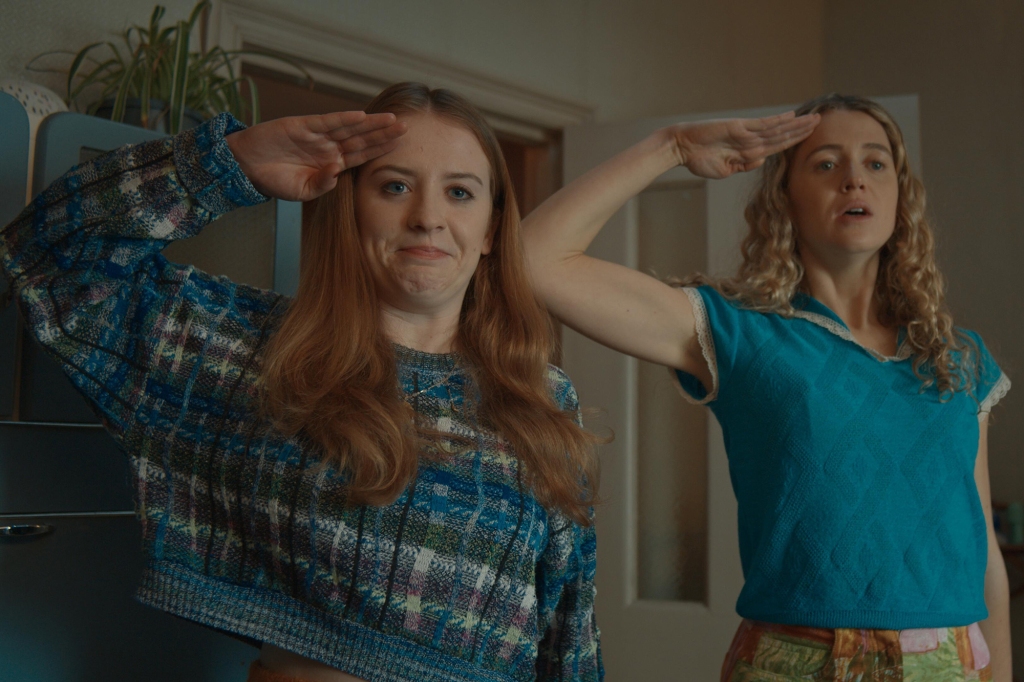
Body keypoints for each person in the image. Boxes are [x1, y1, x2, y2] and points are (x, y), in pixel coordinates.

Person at [0, 82, 603, 682]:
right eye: (395, 186)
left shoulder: (542, 397)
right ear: (349, 206)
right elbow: (48, 259)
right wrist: (226, 162)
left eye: (460, 192)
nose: (428, 218)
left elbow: (568, 628)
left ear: (494, 229)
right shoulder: (250, 352)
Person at [522, 94, 1011, 681]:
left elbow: (984, 553)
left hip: (954, 664)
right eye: (826, 163)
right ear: (785, 195)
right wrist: (669, 147)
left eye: (876, 163)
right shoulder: (739, 332)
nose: (855, 178)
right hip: (795, 662)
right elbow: (533, 260)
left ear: (901, 194)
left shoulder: (958, 357)